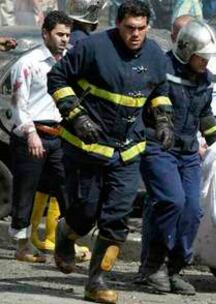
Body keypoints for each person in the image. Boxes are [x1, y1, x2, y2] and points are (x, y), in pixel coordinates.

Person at [47, 1, 174, 303]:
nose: (136, 34)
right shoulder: (92, 48)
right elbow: (57, 79)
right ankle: (67, 232)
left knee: (117, 218)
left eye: (142, 28)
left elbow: (159, 91)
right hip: (87, 147)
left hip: (128, 150)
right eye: (130, 28)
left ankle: (97, 282)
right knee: (85, 212)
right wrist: (77, 116)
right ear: (118, 24)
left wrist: (165, 120)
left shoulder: (155, 55)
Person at [138, 20, 216, 296]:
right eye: (202, 57)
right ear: (186, 50)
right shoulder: (161, 69)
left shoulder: (204, 79)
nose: (205, 63)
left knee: (192, 210)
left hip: (187, 152)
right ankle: (153, 266)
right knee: (171, 201)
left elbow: (204, 114)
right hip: (158, 147)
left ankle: (174, 268)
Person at [9, 10, 72, 263]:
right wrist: (31, 134)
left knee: (67, 188)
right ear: (45, 33)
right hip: (30, 135)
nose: (64, 39)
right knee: (25, 191)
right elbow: (18, 105)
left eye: (67, 34)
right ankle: (23, 246)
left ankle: (65, 241)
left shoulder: (70, 61)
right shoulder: (28, 63)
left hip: (59, 136)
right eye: (59, 34)